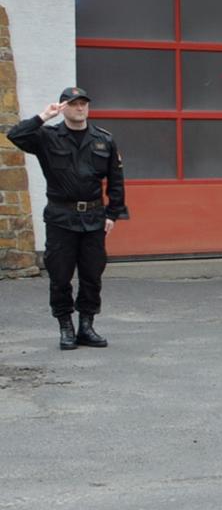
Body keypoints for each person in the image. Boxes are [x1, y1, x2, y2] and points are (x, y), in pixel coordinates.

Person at [7, 86, 126, 350]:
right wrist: (43, 116)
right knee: (60, 276)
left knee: (92, 275)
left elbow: (116, 180)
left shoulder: (103, 139)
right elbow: (14, 134)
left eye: (83, 103)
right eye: (73, 104)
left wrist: (113, 213)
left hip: (94, 217)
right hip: (61, 217)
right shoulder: (47, 137)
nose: (80, 108)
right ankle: (65, 326)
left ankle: (86, 325)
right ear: (63, 108)